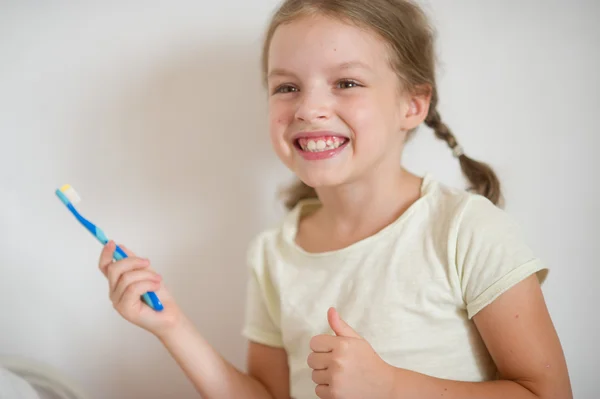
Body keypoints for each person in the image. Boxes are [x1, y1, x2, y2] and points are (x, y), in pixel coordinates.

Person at [98, 1, 572, 398]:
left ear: (413, 104)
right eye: (287, 87)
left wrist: (390, 385)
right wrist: (171, 324)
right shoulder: (272, 254)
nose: (307, 108)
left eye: (346, 83)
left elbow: (546, 392)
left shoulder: (465, 229)